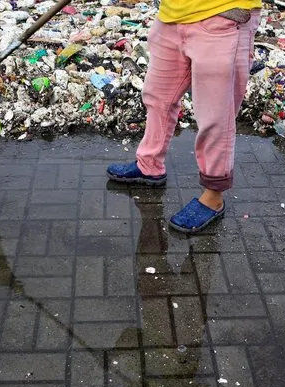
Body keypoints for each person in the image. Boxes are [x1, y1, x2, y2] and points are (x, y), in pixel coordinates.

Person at [107, 0, 262, 233]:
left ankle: (213, 195)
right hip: (172, 14)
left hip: (223, 14)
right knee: (158, 97)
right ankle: (150, 165)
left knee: (215, 113)